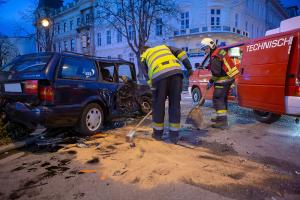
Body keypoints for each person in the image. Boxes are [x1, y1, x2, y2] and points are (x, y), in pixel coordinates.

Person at [140, 45, 193, 143]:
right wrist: (189, 67)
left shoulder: (144, 55)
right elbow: (181, 52)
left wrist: (153, 89)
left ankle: (158, 134)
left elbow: (146, 74)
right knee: (174, 105)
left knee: (158, 106)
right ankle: (174, 136)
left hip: (159, 77)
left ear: (142, 51)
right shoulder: (164, 47)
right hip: (176, 73)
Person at [200, 38, 239, 129]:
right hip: (229, 78)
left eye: (205, 48)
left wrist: (210, 82)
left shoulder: (215, 57)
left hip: (222, 80)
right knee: (222, 99)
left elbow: (216, 73)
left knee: (218, 99)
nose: (205, 51)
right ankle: (221, 118)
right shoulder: (219, 51)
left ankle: (222, 122)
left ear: (210, 46)